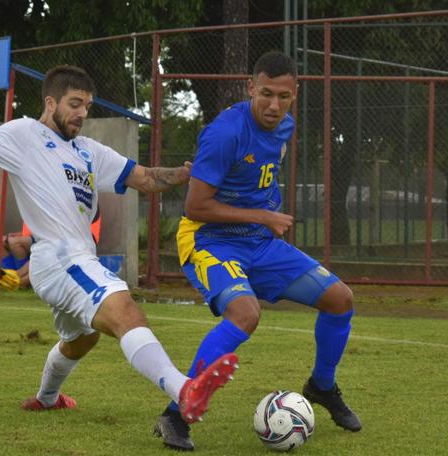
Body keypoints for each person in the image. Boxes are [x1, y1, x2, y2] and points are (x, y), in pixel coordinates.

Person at [0, 64, 238, 435]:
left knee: (82, 338)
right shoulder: (24, 134)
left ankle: (46, 397)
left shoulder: (89, 151)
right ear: (51, 101)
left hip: (70, 260)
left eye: (87, 106)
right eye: (75, 104)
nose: (82, 113)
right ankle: (184, 389)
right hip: (59, 257)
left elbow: (146, 178)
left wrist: (185, 175)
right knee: (126, 311)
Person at [153, 51, 361, 451]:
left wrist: (262, 221)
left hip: (259, 242)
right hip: (208, 239)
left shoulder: (285, 126)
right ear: (251, 87)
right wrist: (263, 216)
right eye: (266, 94)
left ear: (295, 94)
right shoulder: (224, 133)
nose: (273, 105)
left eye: (283, 96)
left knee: (340, 299)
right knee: (245, 313)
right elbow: (195, 206)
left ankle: (322, 386)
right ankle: (175, 414)